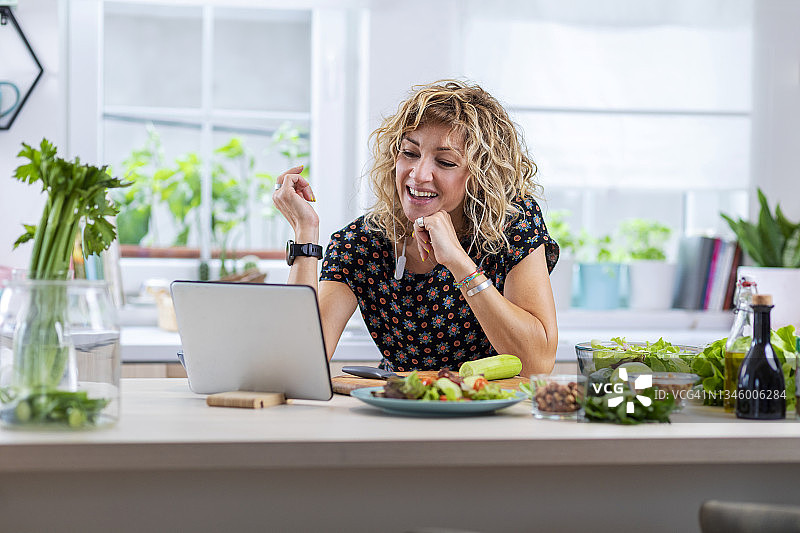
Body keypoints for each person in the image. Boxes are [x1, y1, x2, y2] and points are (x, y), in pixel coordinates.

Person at [272, 80, 559, 375]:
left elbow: (537, 363)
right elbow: (299, 365)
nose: (418, 174)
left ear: (480, 176)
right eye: (410, 153)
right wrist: (305, 232)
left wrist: (459, 262)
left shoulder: (513, 225)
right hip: (398, 408)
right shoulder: (361, 243)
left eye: (445, 162)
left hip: (491, 412)